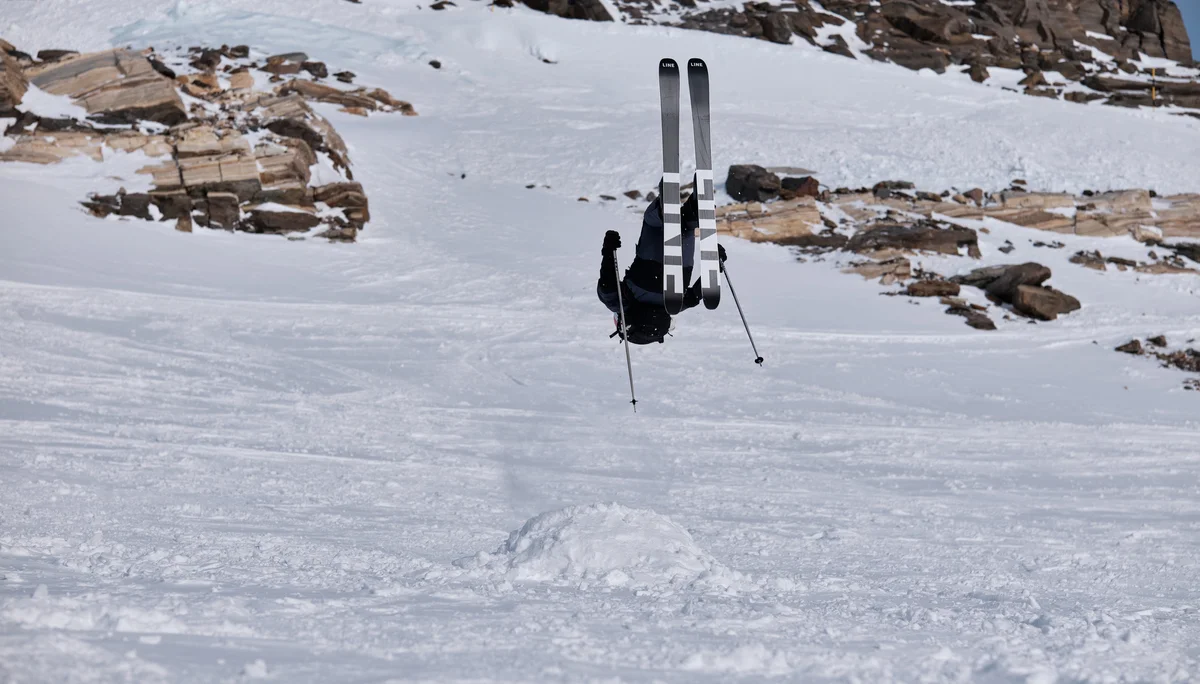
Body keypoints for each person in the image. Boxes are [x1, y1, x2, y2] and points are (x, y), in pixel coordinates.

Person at [597, 181, 725, 344]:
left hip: (680, 275)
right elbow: (606, 286)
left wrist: (715, 265)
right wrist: (608, 249)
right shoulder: (621, 305)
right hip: (647, 269)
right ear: (620, 322)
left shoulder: (673, 307)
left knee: (685, 230)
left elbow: (695, 296)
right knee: (653, 223)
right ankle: (663, 211)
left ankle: (692, 214)